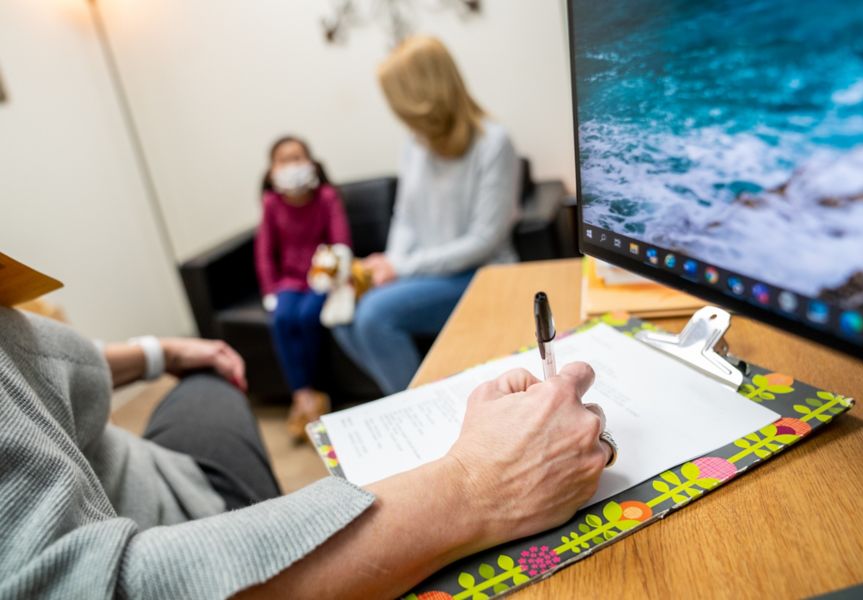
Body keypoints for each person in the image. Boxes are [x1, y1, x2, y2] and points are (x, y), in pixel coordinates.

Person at [0, 299, 613, 599]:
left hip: (119, 459)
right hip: (198, 517)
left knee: (206, 375)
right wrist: (480, 484)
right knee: (216, 388)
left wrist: (162, 352)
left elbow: (36, 364)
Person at [332, 36, 521, 395]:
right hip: (426, 272)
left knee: (374, 316)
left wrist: (401, 267)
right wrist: (387, 264)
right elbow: (405, 216)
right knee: (341, 312)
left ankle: (420, 408)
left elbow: (484, 241)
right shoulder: (414, 146)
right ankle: (407, 400)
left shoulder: (494, 143)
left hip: (479, 274)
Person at [255, 136, 351, 437]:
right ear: (272, 170)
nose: (292, 165)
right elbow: (264, 253)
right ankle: (303, 395)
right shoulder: (271, 204)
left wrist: (333, 272)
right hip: (288, 281)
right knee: (283, 318)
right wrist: (270, 291)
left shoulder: (326, 197)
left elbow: (341, 243)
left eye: (298, 157)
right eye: (284, 160)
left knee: (309, 317)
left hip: (322, 277)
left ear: (311, 162)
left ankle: (314, 392)